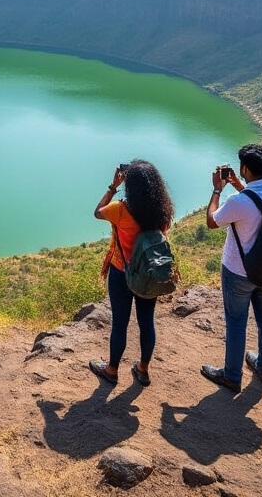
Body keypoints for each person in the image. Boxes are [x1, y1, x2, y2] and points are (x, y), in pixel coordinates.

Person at [88, 159, 176, 387]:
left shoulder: (120, 209)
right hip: (149, 273)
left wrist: (113, 186)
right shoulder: (162, 211)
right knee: (147, 322)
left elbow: (97, 212)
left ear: (129, 184)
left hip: (121, 272)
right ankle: (143, 369)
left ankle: (111, 370)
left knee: (120, 322)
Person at [201, 144, 262, 393]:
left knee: (236, 322)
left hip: (239, 272)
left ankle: (232, 376)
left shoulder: (238, 201)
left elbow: (212, 222)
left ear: (244, 168)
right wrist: (238, 185)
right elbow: (259, 207)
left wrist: (217, 189)